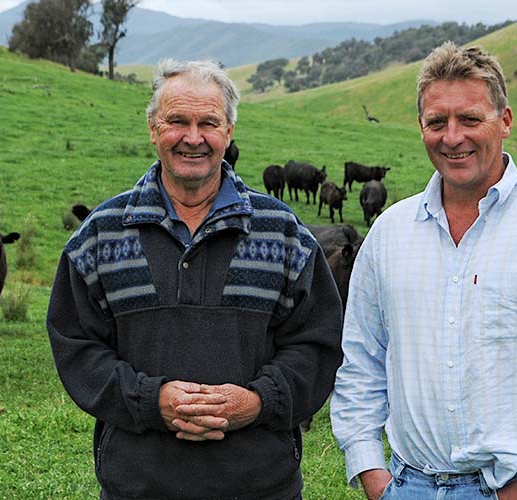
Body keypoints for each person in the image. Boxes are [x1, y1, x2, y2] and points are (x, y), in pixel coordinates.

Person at [330, 42, 517, 500]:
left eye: (470, 119)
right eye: (437, 121)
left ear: (506, 121)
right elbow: (359, 361)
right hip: (406, 485)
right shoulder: (389, 235)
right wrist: (371, 470)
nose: (452, 137)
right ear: (421, 126)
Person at [47, 59, 343, 500]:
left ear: (229, 132)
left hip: (261, 486)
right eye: (176, 121)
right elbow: (77, 348)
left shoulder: (282, 233)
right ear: (152, 129)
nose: (192, 137)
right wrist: (150, 399)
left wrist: (258, 401)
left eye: (209, 122)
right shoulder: (101, 234)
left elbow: (317, 345)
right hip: (137, 486)